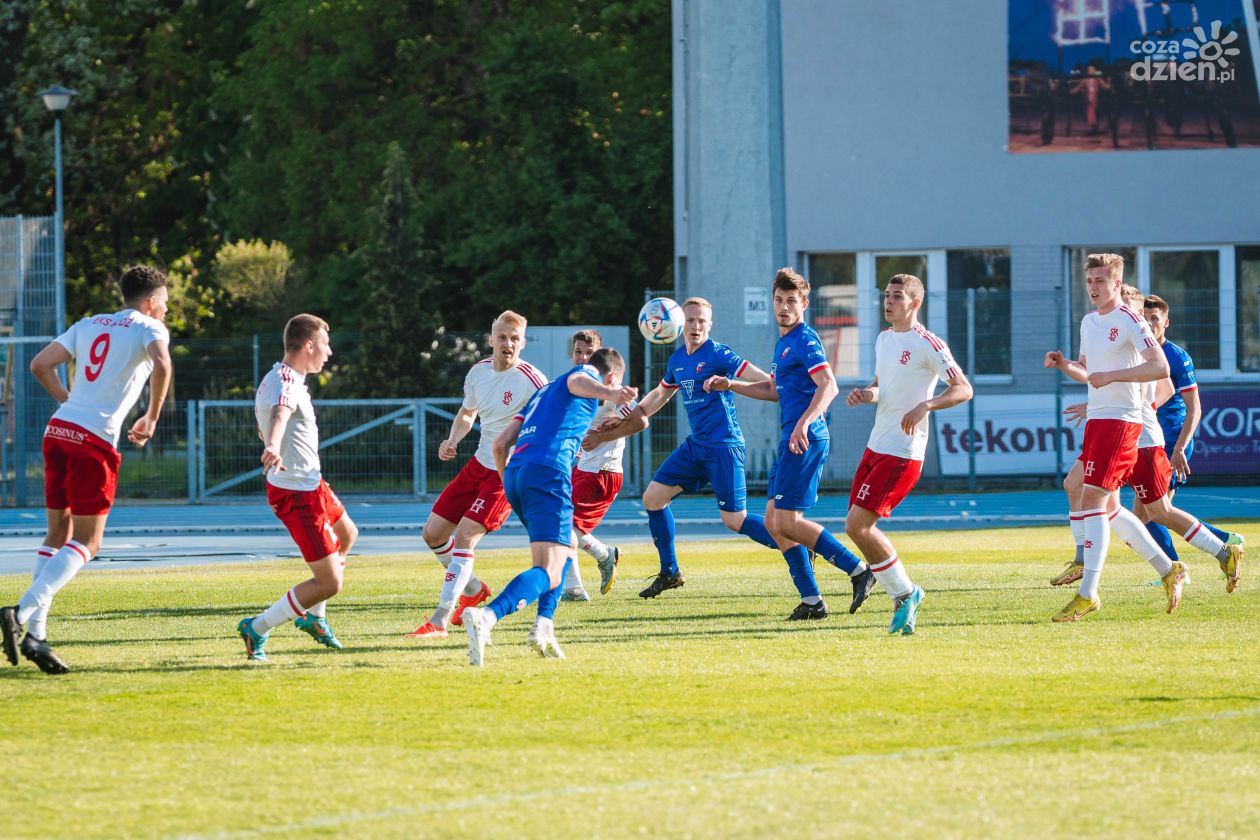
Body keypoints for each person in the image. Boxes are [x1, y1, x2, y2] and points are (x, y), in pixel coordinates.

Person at [0, 265, 172, 675]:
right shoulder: (149, 327)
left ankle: (36, 637)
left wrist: (66, 402)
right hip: (92, 441)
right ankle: (20, 613)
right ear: (150, 302)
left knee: (57, 534)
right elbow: (163, 364)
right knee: (88, 543)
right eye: (165, 301)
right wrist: (151, 417)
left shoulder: (89, 323)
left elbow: (40, 364)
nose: (165, 309)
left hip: (57, 433)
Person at [704, 268, 875, 620]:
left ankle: (859, 570)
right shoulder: (783, 343)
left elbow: (829, 385)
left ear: (804, 304)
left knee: (787, 521)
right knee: (773, 522)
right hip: (792, 438)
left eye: (791, 301)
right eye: (779, 300)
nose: (783, 307)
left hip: (805, 437)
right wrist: (731, 385)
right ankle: (812, 600)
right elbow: (772, 390)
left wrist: (804, 424)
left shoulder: (804, 340)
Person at [582, 297, 778, 599]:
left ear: (710, 325)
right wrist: (626, 419)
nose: (696, 325)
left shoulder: (720, 354)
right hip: (696, 446)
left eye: (701, 320)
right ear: (680, 324)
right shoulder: (677, 360)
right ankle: (670, 572)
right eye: (690, 320)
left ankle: (796, 546)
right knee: (652, 499)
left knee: (734, 520)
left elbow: (767, 382)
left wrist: (736, 383)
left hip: (724, 446)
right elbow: (660, 395)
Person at [1052, 289, 1243, 591]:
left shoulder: (1151, 348)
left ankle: (1216, 550)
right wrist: (1068, 368)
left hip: (1142, 438)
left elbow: (1164, 388)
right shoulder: (1108, 335)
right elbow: (1093, 377)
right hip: (1112, 432)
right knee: (1082, 489)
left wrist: (1133, 408)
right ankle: (1086, 565)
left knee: (1154, 512)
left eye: (1128, 309)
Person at [462, 348, 637, 666]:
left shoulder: (543, 392)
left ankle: (543, 625)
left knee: (565, 548)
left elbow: (500, 444)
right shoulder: (585, 376)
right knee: (548, 570)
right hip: (549, 472)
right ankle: (486, 616)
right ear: (612, 375)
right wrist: (611, 391)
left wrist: (509, 482)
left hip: (517, 474)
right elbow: (581, 382)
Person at [1044, 254, 1183, 623]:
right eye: (1089, 281)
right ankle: (1168, 569)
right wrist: (1064, 365)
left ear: (1117, 284)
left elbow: (1160, 367)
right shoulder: (1089, 321)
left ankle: (1087, 593)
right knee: (1104, 507)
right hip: (1099, 423)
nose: (1093, 288)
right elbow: (1089, 373)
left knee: (1092, 500)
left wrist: (1114, 376)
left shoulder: (1131, 319)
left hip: (1123, 422)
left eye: (1101, 281)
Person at [843, 274, 972, 634]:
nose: (888, 302)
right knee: (857, 528)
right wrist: (866, 394)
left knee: (858, 525)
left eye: (897, 296)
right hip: (876, 444)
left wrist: (926, 405)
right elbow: (882, 386)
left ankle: (907, 593)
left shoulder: (927, 342)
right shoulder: (884, 339)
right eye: (886, 295)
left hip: (902, 452)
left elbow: (964, 389)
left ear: (914, 303)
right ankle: (903, 595)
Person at [406, 311, 546, 639]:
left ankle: (439, 620)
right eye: (502, 337)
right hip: (478, 466)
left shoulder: (533, 380)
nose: (507, 344)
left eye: (514, 339)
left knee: (466, 535)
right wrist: (453, 439)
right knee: (433, 535)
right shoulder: (478, 373)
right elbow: (468, 412)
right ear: (491, 339)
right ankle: (473, 589)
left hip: (506, 472)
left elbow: (550, 420)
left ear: (523, 343)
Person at [236, 315, 360, 662]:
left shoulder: (277, 376)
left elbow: (272, 413)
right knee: (329, 583)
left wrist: (271, 438)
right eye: (325, 344)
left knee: (347, 534)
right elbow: (279, 413)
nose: (329, 352)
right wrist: (273, 445)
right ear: (308, 346)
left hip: (311, 484)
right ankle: (257, 628)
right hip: (297, 493)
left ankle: (315, 620)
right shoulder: (286, 382)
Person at [1141, 294, 1243, 588]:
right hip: (1149, 439)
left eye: (1155, 319)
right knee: (1152, 511)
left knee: (1152, 511)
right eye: (1144, 318)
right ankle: (1225, 542)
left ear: (1166, 322)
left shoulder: (1176, 357)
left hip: (1171, 440)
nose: (1149, 324)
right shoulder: (1140, 353)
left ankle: (1175, 571)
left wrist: (1179, 448)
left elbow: (1195, 408)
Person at [564, 329, 646, 599]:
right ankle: (582, 579)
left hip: (602, 473)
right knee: (561, 525)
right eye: (578, 352)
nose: (583, 358)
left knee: (564, 529)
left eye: (589, 354)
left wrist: (602, 437)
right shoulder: (575, 389)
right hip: (583, 469)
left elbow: (639, 420)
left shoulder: (610, 392)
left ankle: (582, 580)